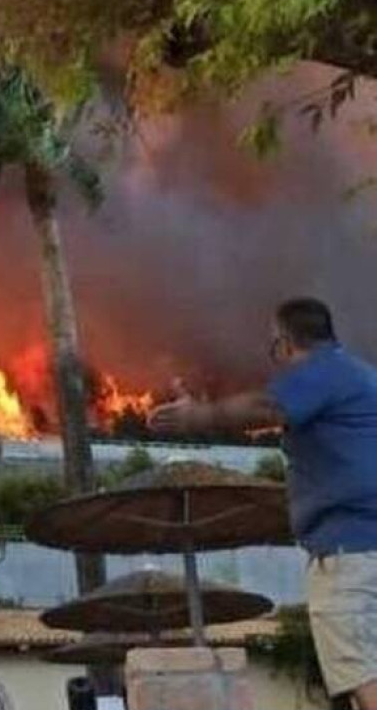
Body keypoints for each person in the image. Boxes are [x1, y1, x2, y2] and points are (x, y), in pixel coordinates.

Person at [150, 297, 377, 709]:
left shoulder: (322, 373)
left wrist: (199, 417)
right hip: (365, 548)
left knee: (364, 675)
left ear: (286, 344)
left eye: (274, 348)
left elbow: (268, 406)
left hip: (351, 556)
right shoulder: (362, 377)